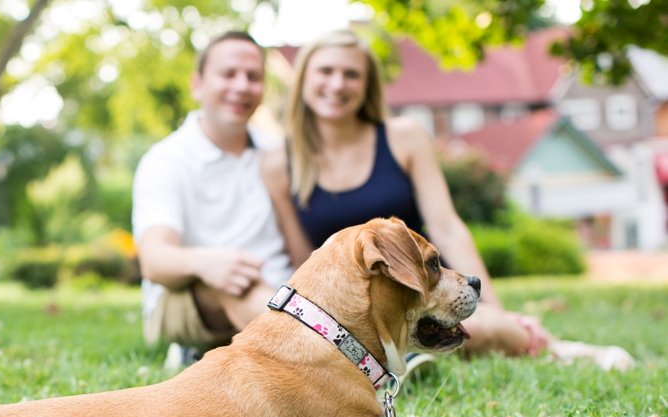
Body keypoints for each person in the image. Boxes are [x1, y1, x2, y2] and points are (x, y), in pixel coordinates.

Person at [260, 29, 634, 371]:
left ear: (367, 85)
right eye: (325, 71)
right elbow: (303, 259)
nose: (337, 84)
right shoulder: (278, 164)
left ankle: (559, 349)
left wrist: (494, 311)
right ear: (304, 79)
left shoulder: (403, 137)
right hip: (355, 307)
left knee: (483, 330)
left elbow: (447, 228)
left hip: (429, 287)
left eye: (351, 74)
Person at [132, 31, 293, 367]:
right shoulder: (167, 160)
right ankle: (340, 362)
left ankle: (217, 351)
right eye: (228, 74)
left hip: (284, 295)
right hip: (189, 298)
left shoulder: (278, 153)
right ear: (197, 85)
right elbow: (154, 260)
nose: (242, 86)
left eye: (253, 77)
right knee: (236, 282)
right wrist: (207, 263)